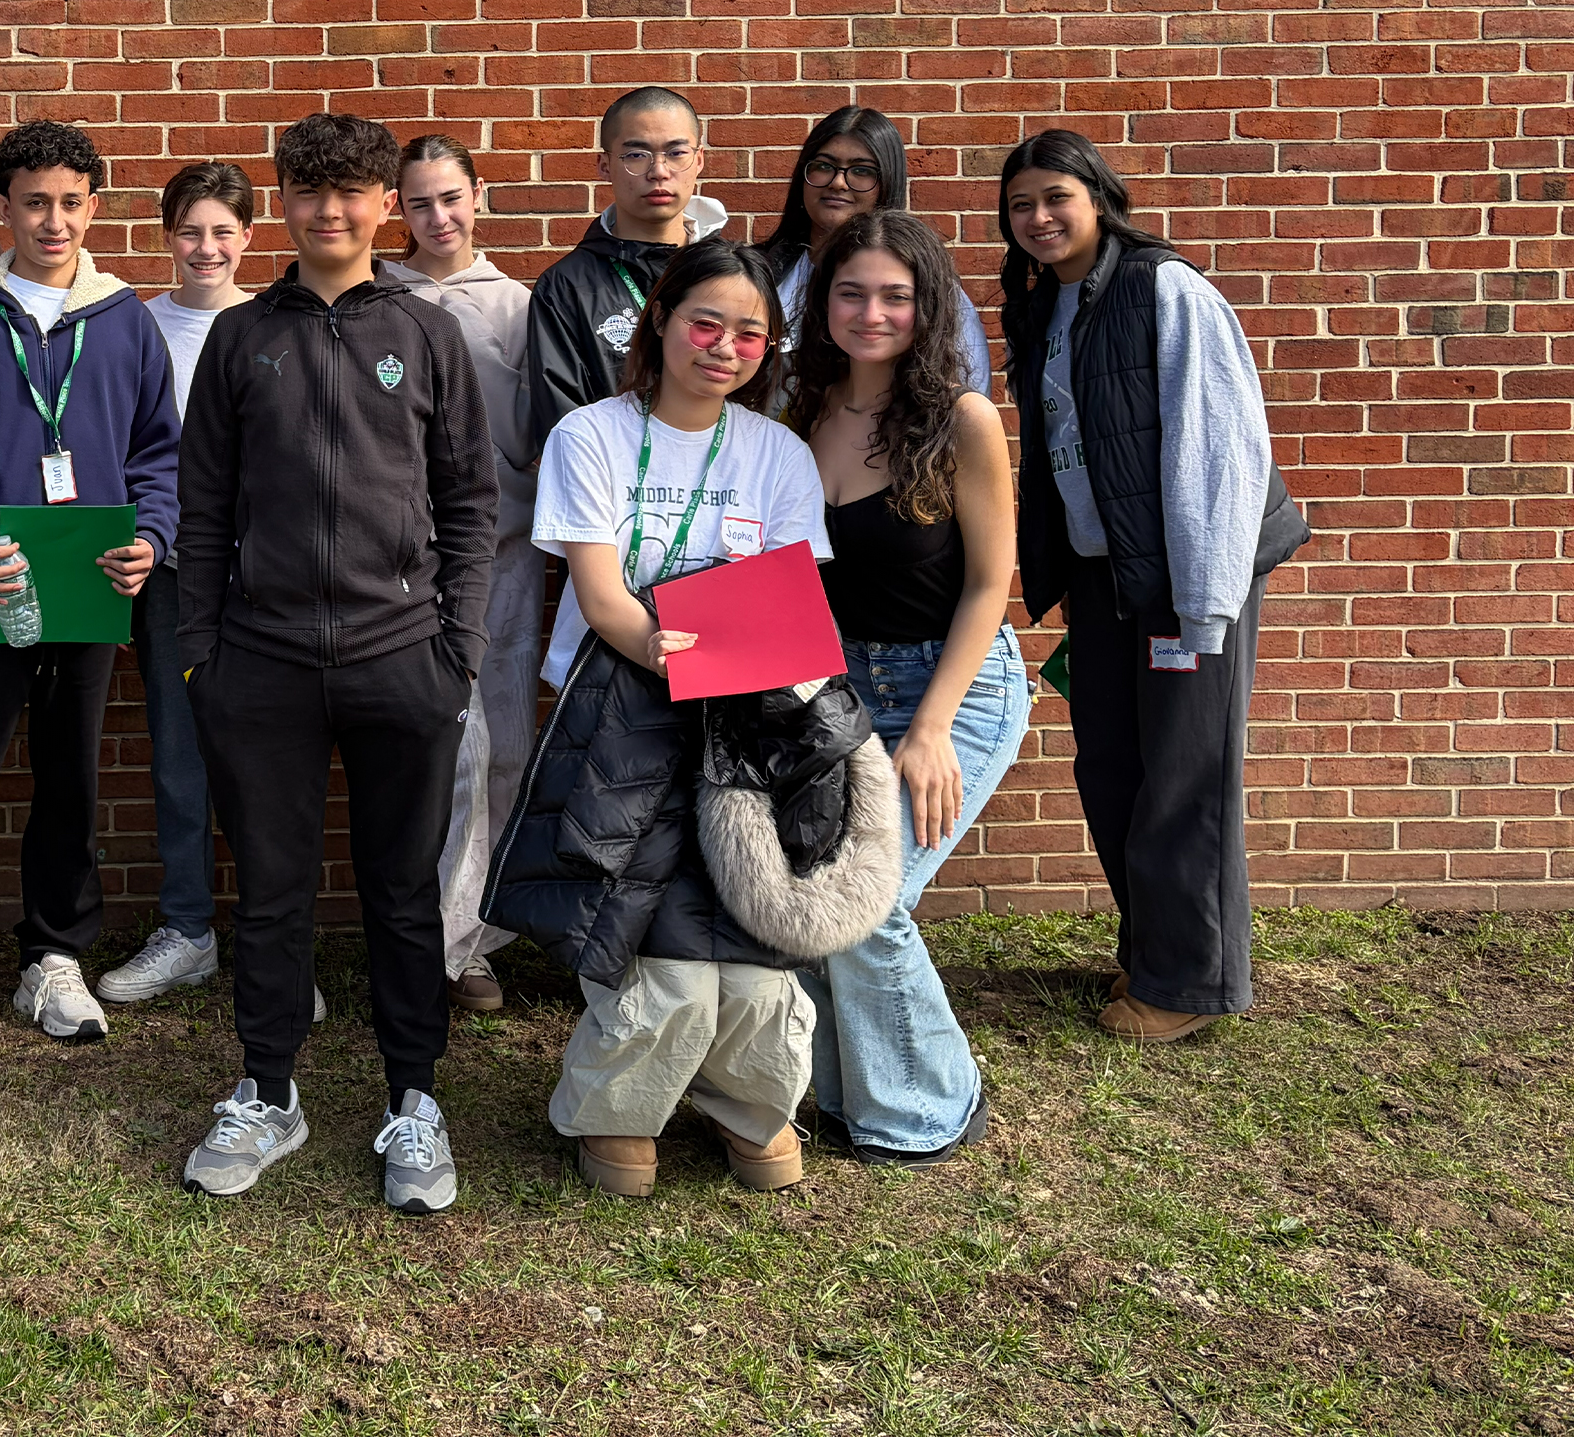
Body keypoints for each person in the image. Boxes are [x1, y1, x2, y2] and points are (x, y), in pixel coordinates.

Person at [173, 112, 495, 1216]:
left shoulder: (428, 332)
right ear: (286, 200)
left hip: (402, 659)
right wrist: (203, 654)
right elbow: (203, 508)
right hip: (258, 665)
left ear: (382, 204)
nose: (330, 211)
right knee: (269, 895)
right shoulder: (241, 337)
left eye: (353, 190)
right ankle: (268, 1089)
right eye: (308, 191)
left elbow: (468, 504)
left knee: (402, 893)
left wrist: (459, 651)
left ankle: (415, 1097)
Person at [523, 239, 831, 1196]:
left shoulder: (778, 451)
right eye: (706, 323)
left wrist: (724, 667)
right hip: (619, 707)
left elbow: (788, 599)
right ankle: (617, 1109)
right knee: (646, 926)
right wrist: (664, 650)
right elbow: (603, 595)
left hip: (742, 717)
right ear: (660, 320)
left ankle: (752, 1101)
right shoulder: (591, 436)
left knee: (746, 928)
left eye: (750, 332)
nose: (725, 347)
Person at [997, 131, 1310, 1043]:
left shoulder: (1161, 287)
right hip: (1108, 578)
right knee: (1114, 767)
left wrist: (1205, 601)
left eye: (1056, 197)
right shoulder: (1044, 305)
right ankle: (1155, 946)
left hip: (1185, 573)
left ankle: (1188, 983)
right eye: (1021, 206)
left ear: (1098, 196)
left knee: (1183, 777)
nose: (1040, 218)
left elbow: (1220, 448)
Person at [0, 121, 182, 1062]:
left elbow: (159, 458)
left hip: (87, 598)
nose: (53, 220)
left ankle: (54, 956)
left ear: (96, 206)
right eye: (33, 202)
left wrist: (150, 538)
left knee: (70, 784)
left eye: (71, 202)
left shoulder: (125, 320)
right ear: (2, 207)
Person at [783, 209, 1022, 1165]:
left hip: (951, 687)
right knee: (810, 895)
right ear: (823, 303)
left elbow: (988, 584)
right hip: (836, 689)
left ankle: (933, 1104)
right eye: (851, 292)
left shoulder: (960, 419)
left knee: (871, 905)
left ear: (927, 307)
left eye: (894, 295)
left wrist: (929, 730)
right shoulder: (795, 414)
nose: (870, 312)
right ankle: (839, 1094)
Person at [379, 135, 536, 1014]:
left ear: (480, 194)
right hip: (402, 562)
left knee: (504, 747)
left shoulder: (519, 306)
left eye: (451, 198)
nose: (437, 218)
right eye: (418, 203)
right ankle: (425, 945)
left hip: (503, 554)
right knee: (448, 751)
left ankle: (473, 935)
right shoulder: (378, 300)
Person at [97, 161, 256, 1008]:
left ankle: (272, 946)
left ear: (248, 239)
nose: (206, 248)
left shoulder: (276, 326)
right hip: (168, 574)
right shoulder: (136, 327)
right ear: (167, 238)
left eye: (223, 231)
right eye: (190, 231)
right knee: (177, 754)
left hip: (265, 581)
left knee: (268, 762)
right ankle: (187, 930)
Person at [527, 86, 731, 438]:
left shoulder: (733, 278)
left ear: (698, 160)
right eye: (637, 155)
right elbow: (562, 423)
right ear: (605, 165)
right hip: (610, 484)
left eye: (676, 152)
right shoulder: (566, 287)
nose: (659, 172)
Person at [756, 106, 992, 392]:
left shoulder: (932, 287)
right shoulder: (762, 273)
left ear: (887, 182)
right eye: (823, 166)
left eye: (861, 171)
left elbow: (969, 397)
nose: (838, 182)